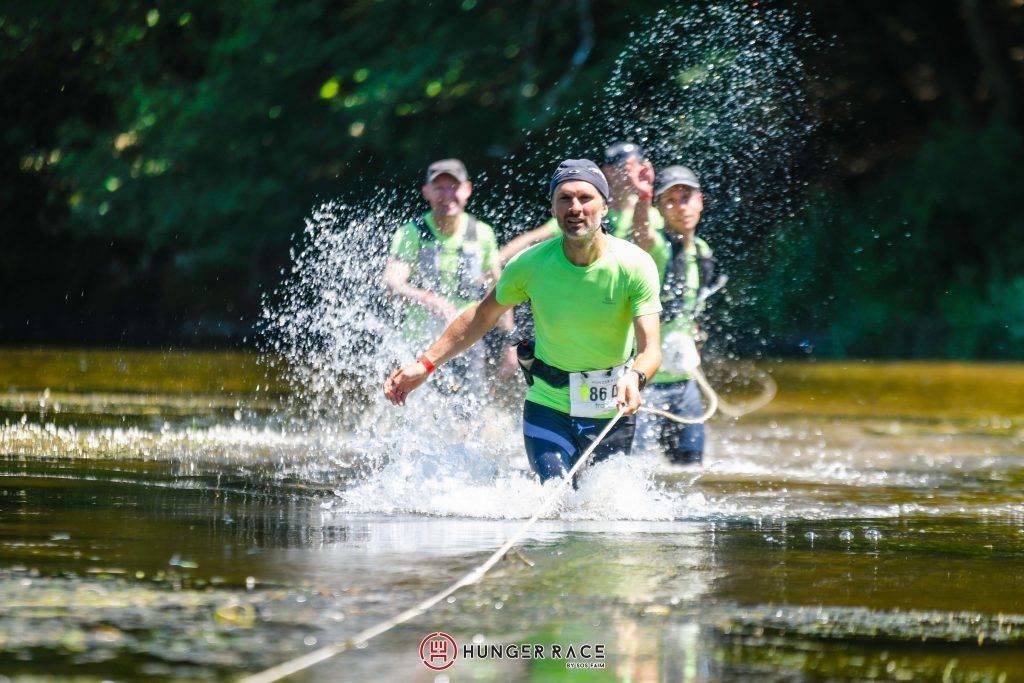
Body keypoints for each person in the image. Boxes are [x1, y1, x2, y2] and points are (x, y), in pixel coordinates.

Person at [384, 159, 663, 483]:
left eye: (585, 198)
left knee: (604, 504)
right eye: (565, 199)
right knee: (555, 495)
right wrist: (425, 364)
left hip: (611, 407)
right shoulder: (530, 264)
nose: (575, 207)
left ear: (604, 206)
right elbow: (481, 315)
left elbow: (651, 350)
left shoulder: (634, 265)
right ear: (553, 209)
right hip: (548, 405)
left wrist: (635, 377)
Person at [383, 159, 516, 399]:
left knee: (471, 411)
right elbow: (393, 284)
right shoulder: (411, 232)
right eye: (439, 188)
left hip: (466, 342)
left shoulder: (482, 234)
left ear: (467, 189)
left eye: (453, 187)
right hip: (420, 343)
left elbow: (501, 292)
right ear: (426, 192)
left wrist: (510, 344)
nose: (447, 195)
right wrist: (427, 298)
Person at [631, 164, 720, 465]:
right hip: (646, 383)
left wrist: (694, 336)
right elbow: (642, 235)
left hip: (685, 384)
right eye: (670, 201)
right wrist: (642, 200)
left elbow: (691, 310)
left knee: (690, 469)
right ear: (660, 209)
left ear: (700, 201)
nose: (681, 207)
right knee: (634, 467)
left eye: (686, 198)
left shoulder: (702, 252)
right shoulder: (658, 247)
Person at [497, 142, 666, 265]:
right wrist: (497, 261)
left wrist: (644, 195)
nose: (632, 174)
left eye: (638, 167)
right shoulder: (587, 210)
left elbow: (643, 242)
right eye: (626, 167)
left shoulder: (650, 214)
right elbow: (535, 239)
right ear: (607, 170)